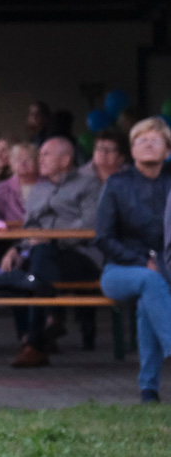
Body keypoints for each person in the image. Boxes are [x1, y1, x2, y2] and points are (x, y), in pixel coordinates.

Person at [0, 137, 103, 367]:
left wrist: (52, 235)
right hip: (45, 256)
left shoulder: (89, 185)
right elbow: (30, 227)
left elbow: (90, 225)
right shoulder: (40, 187)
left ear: (65, 160)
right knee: (31, 263)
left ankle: (37, 338)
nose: (40, 159)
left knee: (36, 266)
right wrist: (16, 248)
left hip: (81, 255)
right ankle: (41, 333)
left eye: (46, 154)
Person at [96, 117, 171, 403]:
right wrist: (141, 260)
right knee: (149, 281)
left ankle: (148, 390)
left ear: (167, 149)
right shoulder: (117, 183)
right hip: (120, 270)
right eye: (141, 140)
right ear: (132, 149)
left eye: (155, 140)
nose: (148, 144)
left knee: (147, 301)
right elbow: (103, 237)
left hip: (164, 271)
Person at [0, 142, 39, 222]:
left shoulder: (49, 185)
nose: (23, 163)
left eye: (28, 159)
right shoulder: (2, 189)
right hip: (13, 233)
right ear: (11, 163)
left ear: (37, 162)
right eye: (18, 159)